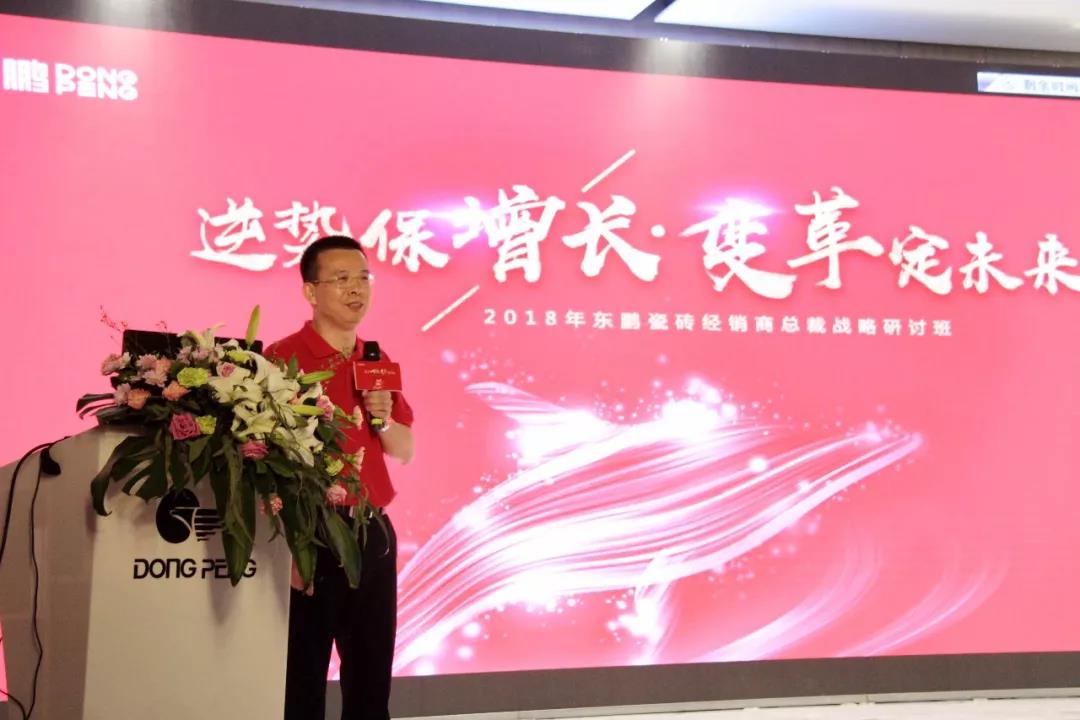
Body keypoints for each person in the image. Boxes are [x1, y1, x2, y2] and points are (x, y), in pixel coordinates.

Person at [267, 234, 415, 720]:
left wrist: (382, 418)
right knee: (301, 678)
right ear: (311, 291)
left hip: (372, 530)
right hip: (310, 531)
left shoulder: (374, 358)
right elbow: (264, 455)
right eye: (342, 279)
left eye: (363, 278)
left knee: (371, 680)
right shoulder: (282, 358)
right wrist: (290, 541)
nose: (356, 289)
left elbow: (404, 450)